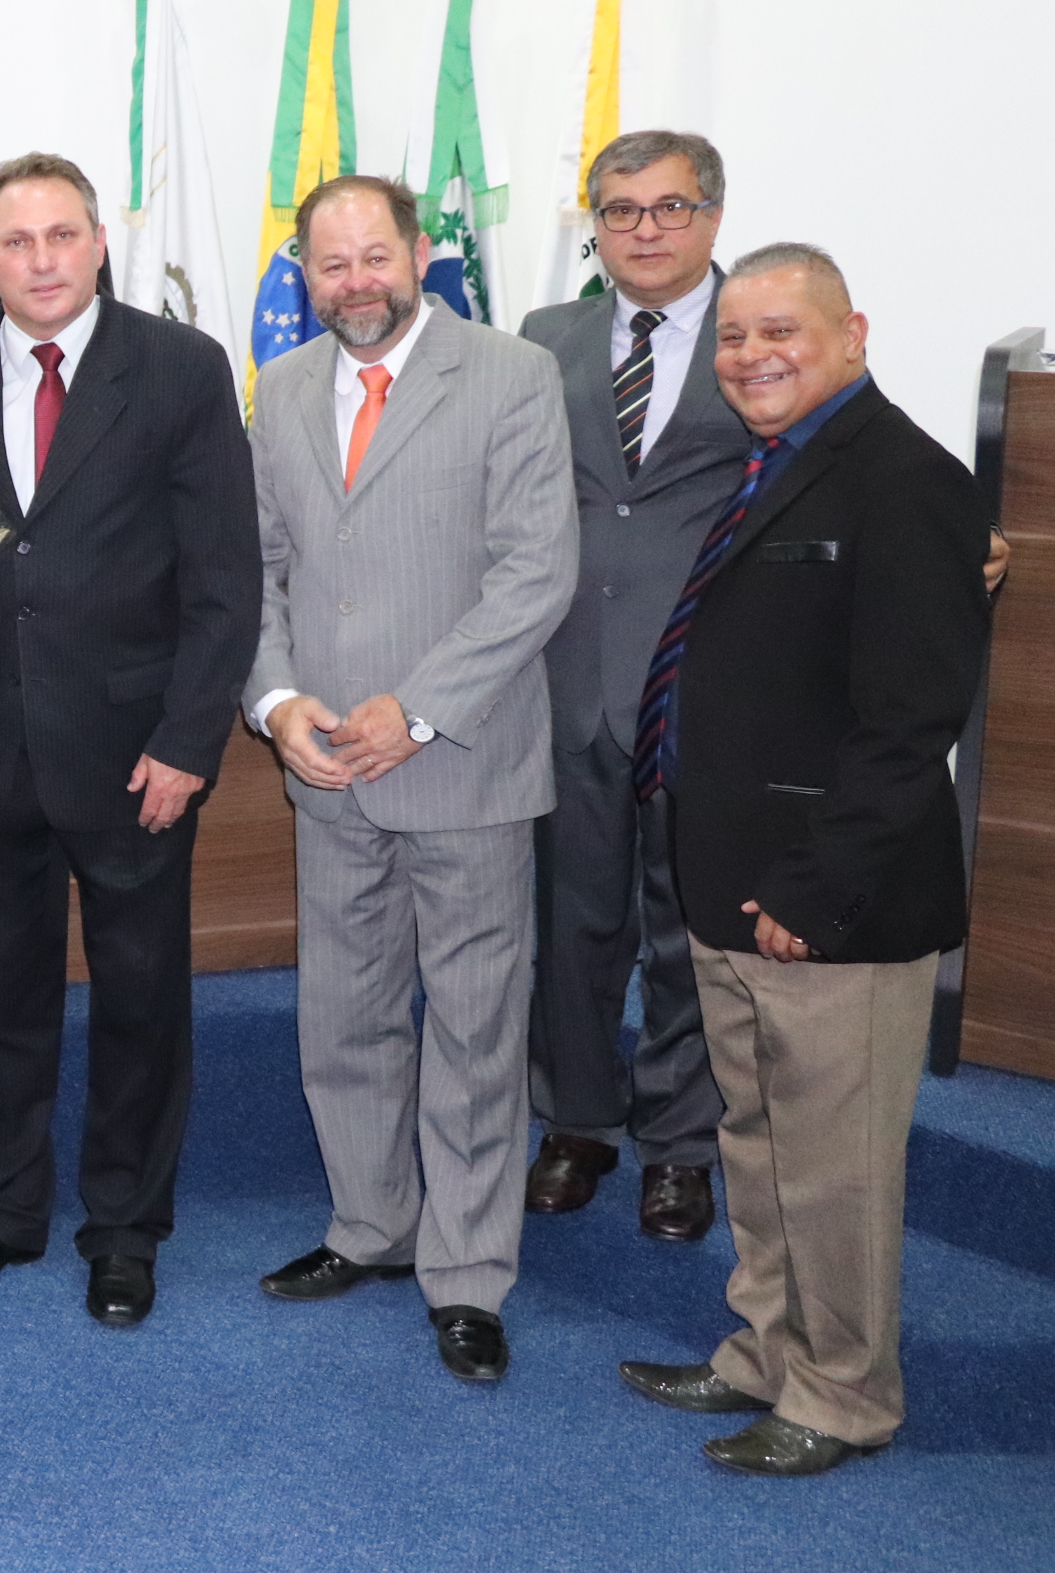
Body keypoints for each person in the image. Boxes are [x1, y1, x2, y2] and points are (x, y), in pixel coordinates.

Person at [616, 245, 990, 1476]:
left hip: (835, 907)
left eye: (781, 331)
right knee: (761, 1145)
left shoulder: (907, 483)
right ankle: (766, 1351)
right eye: (732, 337)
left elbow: (910, 723)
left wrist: (813, 894)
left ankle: (844, 1395)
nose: (752, 356)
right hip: (737, 882)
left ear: (853, 333)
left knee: (836, 1173)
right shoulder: (776, 464)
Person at [0, 153, 259, 1329]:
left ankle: (125, 1227)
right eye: (15, 239)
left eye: (61, 235)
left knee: (142, 998)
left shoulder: (182, 368)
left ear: (99, 242)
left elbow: (224, 575)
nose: (40, 259)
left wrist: (191, 738)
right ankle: (2, 1212)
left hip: (136, 750)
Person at [245, 173, 574, 1384]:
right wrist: (277, 704)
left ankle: (470, 1274)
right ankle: (370, 1228)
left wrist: (420, 710)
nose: (356, 285)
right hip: (327, 769)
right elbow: (264, 570)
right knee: (347, 1017)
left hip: (466, 764)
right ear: (303, 274)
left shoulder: (509, 374)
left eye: (374, 258)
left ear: (421, 251)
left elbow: (535, 574)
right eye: (330, 267)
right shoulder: (278, 390)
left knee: (478, 1032)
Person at [516, 131, 745, 1241]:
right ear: (593, 225)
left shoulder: (758, 330)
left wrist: (957, 539)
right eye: (620, 211)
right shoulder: (544, 338)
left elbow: (849, 454)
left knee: (685, 929)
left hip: (705, 684)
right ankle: (574, 1124)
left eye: (668, 208)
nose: (643, 230)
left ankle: (680, 1147)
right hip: (560, 679)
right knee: (570, 919)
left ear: (710, 218)